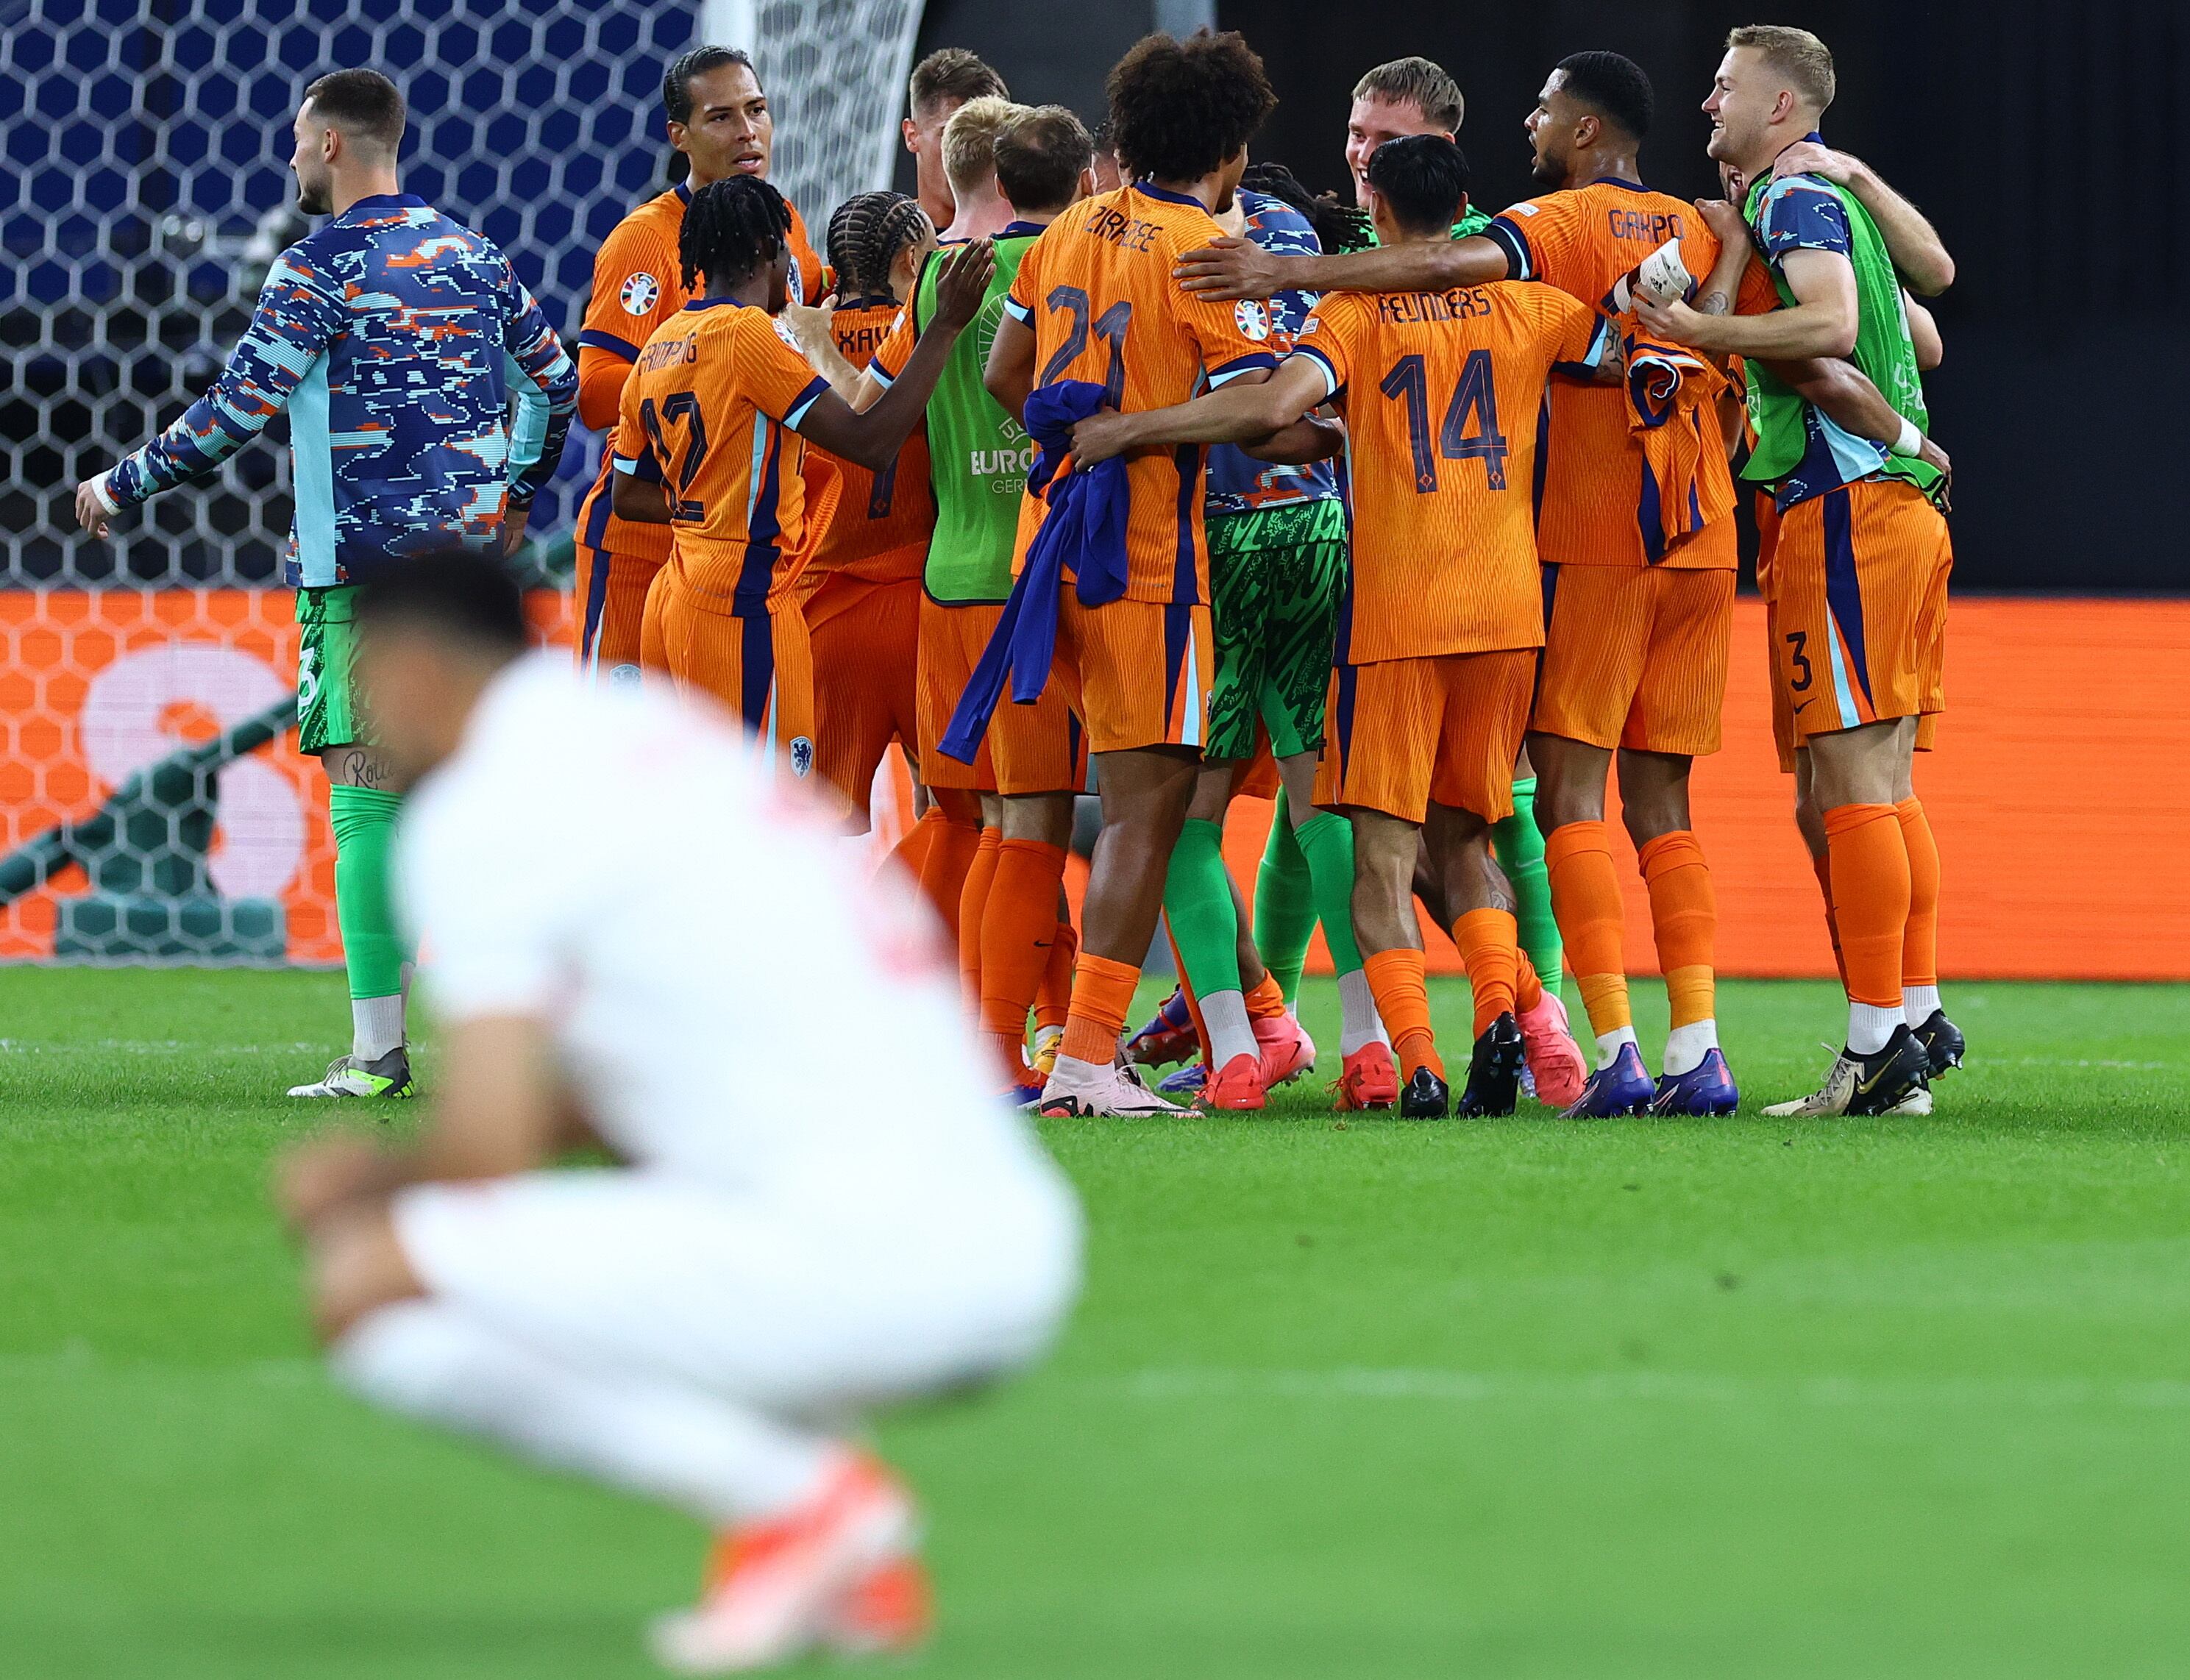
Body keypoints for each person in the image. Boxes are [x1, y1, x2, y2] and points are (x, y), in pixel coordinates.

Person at [277, 549, 1078, 1675]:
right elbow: (633, 1081)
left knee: (370, 1284)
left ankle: (801, 1502)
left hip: (873, 1260)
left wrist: (364, 1181)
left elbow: (488, 1149)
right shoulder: (649, 734)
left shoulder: (487, 806)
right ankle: (845, 1576)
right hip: (1010, 1240)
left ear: (411, 669)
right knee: (673, 1197)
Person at [1070, 135, 1615, 1119]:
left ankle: (1406, 1063)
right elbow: (1642, 344)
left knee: (1368, 846)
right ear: (1467, 208)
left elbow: (1271, 405)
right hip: (1502, 608)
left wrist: (1134, 427)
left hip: (1382, 607)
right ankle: (1523, 1018)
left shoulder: (1349, 312)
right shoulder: (1541, 308)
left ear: (1380, 215)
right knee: (1472, 836)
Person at [71, 68, 576, 1102]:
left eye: (300, 142)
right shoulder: (472, 255)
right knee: (478, 804)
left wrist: (122, 484)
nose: (293, 158)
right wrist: (518, 491)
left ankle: (378, 1054)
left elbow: (237, 407)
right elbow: (557, 380)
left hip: (365, 577)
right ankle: (535, 1042)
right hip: (476, 577)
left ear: (334, 145)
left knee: (367, 801)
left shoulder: (321, 266)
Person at [978, 30, 1313, 1119]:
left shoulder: (1068, 225)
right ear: (1232, 142)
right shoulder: (1204, 248)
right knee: (1145, 816)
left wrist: (1075, 436)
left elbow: (1006, 372)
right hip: (1150, 564)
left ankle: (1099, 1051)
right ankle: (1083, 1064)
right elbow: (1264, 409)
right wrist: (1138, 432)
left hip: (1054, 548)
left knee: (1081, 810)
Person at [1635, 24, 1958, 1117]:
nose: (1707, 102)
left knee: (1852, 784)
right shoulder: (1831, 203)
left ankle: (1878, 1051)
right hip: (1884, 510)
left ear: (1780, 108)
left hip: (1848, 508)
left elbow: (1836, 323)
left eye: (1725, 87)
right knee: (1855, 784)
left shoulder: (1793, 200)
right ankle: (1909, 1019)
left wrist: (1691, 324)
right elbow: (1923, 335)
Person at [608, 179, 989, 791]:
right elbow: (869, 442)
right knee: (764, 821)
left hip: (677, 593)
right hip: (744, 599)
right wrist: (941, 327)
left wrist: (709, 512)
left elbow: (626, 494)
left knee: (698, 809)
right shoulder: (748, 335)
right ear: (768, 249)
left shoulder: (659, 343)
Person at [572, 46, 826, 688]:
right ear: (678, 136)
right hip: (642, 535)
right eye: (721, 118)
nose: (747, 131)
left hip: (739, 554)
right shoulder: (645, 238)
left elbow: (813, 323)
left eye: (757, 109)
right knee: (629, 764)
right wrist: (697, 361)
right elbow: (594, 395)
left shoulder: (785, 225)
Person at [797, 192, 939, 830]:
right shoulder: (934, 333)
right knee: (951, 817)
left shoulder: (787, 340)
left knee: (821, 837)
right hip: (924, 604)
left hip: (823, 609)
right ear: (911, 260)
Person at [902, 49, 1011, 232]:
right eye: (951, 134)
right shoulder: (875, 251)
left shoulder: (1042, 244)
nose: (968, 156)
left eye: (987, 138)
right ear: (912, 136)